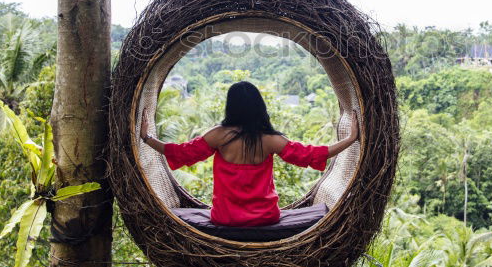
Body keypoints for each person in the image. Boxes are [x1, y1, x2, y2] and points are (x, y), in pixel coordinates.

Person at [140, 80, 359, 227]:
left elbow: (179, 153)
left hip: (224, 218)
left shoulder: (218, 136)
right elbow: (313, 155)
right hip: (265, 217)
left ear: (231, 107)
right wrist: (350, 139)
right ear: (259, 107)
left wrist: (147, 138)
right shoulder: (270, 140)